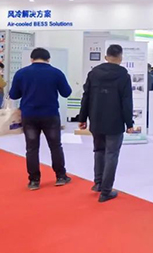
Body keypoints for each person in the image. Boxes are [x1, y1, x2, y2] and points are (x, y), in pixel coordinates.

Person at [9, 48, 72, 190]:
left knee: (31, 148)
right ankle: (61, 176)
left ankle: (34, 181)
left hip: (29, 115)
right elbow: (66, 92)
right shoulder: (56, 73)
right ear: (48, 59)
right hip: (50, 114)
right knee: (55, 146)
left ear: (31, 59)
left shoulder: (21, 73)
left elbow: (14, 95)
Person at [78, 44, 134, 203]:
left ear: (105, 57)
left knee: (99, 151)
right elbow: (126, 101)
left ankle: (98, 183)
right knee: (111, 154)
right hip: (115, 121)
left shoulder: (93, 73)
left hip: (96, 119)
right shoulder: (123, 75)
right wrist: (129, 123)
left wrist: (82, 118)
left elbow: (86, 97)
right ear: (120, 58)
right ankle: (106, 191)